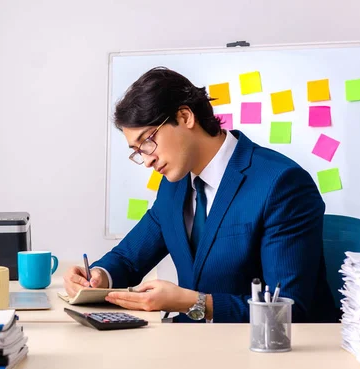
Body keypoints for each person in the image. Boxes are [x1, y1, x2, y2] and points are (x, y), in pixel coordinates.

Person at [63, 67, 337, 323]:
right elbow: (128, 258)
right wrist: (98, 276)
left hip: (267, 354)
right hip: (195, 346)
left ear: (185, 117)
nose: (146, 160)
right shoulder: (174, 184)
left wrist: (193, 303)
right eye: (137, 150)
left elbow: (287, 307)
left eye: (147, 141)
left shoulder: (281, 184)